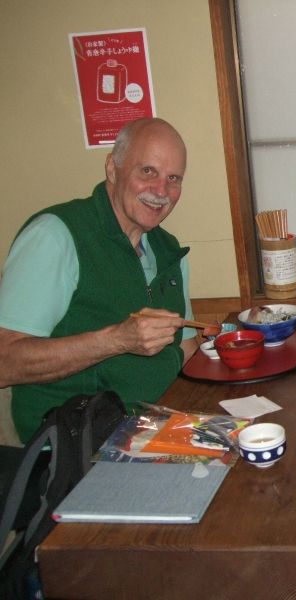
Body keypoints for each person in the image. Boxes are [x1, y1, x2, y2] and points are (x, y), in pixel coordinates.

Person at [0, 117, 203, 443]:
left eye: (173, 178)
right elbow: (5, 361)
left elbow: (187, 347)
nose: (161, 191)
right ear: (112, 169)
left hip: (160, 429)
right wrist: (118, 339)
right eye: (147, 171)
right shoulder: (56, 235)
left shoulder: (169, 250)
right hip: (75, 444)